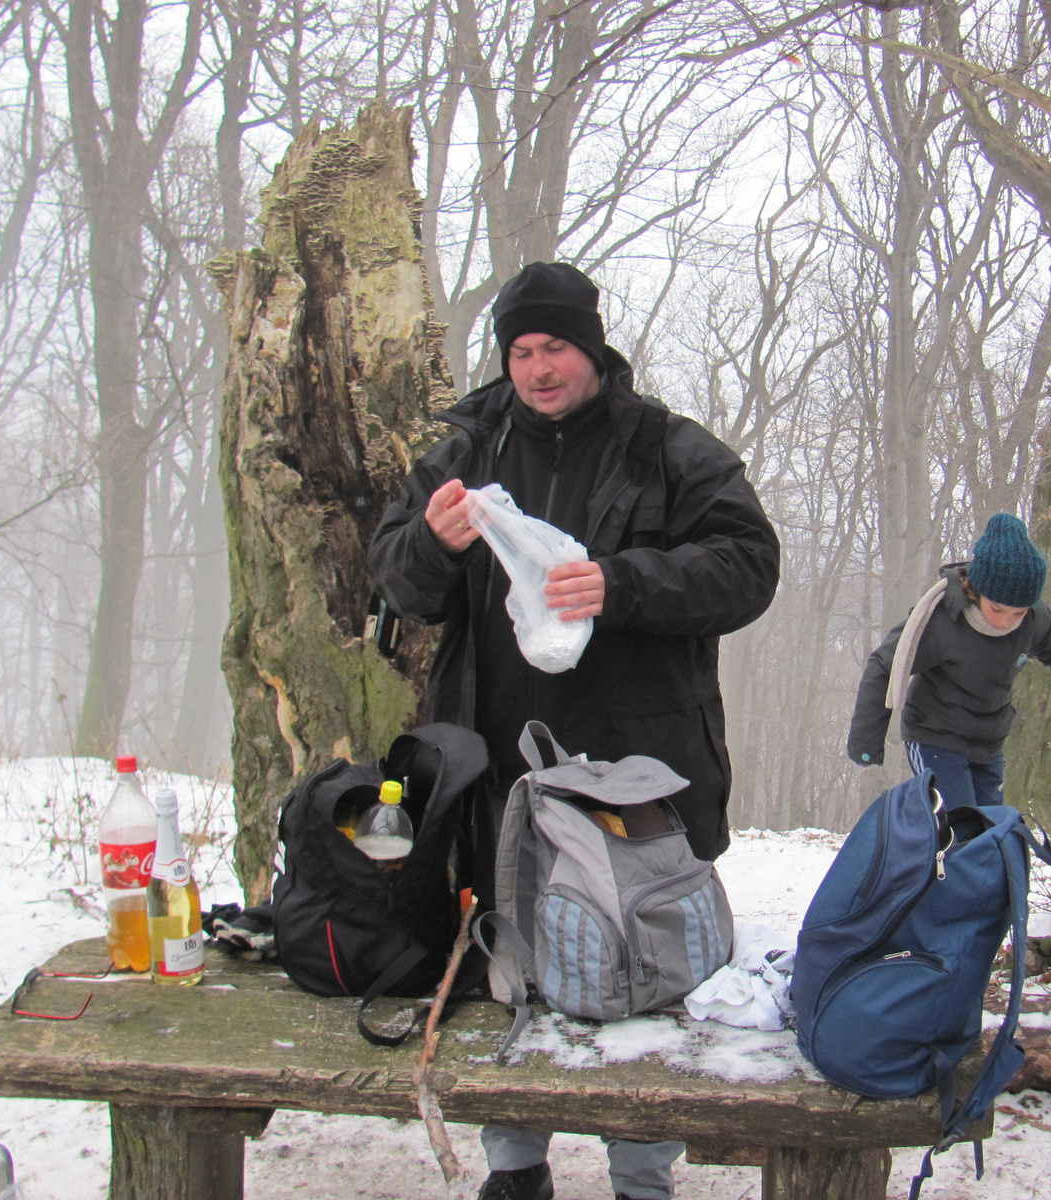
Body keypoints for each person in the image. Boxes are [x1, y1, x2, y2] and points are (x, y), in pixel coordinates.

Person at [367, 261, 780, 1200]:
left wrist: (624, 583)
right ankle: (515, 1167)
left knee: (645, 966)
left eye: (555, 347)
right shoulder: (466, 454)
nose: (538, 367)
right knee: (509, 963)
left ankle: (643, 1173)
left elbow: (750, 564)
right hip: (496, 768)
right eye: (520, 349)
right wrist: (432, 543)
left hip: (636, 770)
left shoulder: (667, 449)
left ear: (591, 350)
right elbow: (395, 577)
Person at [847, 512, 1051, 808]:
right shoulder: (940, 619)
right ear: (978, 591)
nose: (1007, 621)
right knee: (960, 828)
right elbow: (885, 666)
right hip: (934, 738)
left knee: (990, 831)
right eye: (999, 609)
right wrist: (866, 743)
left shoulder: (1034, 619)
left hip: (989, 745)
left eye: (1018, 612)